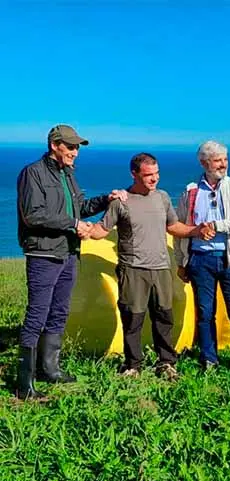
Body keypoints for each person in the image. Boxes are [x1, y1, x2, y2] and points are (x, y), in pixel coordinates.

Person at [15, 124, 128, 400]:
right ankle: (24, 384)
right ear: (55, 145)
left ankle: (49, 369)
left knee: (59, 311)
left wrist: (107, 199)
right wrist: (74, 224)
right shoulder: (33, 173)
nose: (76, 152)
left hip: (67, 253)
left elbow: (81, 208)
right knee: (37, 315)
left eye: (77, 147)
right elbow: (33, 215)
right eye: (71, 146)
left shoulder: (68, 175)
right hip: (43, 254)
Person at [88, 153, 214, 379]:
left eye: (156, 173)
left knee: (164, 317)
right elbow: (101, 231)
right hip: (133, 269)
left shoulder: (162, 198)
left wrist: (196, 230)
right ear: (134, 174)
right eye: (148, 175)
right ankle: (133, 365)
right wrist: (82, 229)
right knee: (133, 318)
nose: (154, 179)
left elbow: (173, 226)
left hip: (161, 268)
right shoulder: (120, 202)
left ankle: (166, 363)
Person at [174, 140, 230, 375]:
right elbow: (180, 227)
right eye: (217, 160)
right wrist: (181, 262)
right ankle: (209, 360)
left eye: (225, 159)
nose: (223, 164)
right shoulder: (190, 193)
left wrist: (216, 225)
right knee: (205, 314)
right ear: (204, 163)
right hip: (200, 260)